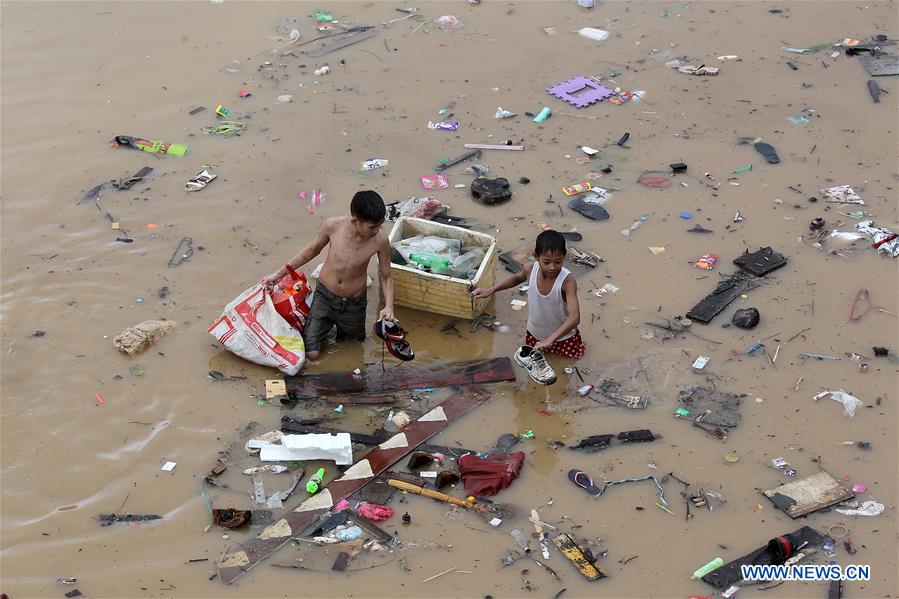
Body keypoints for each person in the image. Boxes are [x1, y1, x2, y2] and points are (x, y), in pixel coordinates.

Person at [262, 190, 394, 361]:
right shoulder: (333, 226)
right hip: (325, 297)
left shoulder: (380, 240)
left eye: (380, 225)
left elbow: (386, 275)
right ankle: (320, 324)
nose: (377, 230)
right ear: (355, 221)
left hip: (354, 303)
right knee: (312, 354)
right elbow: (311, 251)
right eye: (372, 227)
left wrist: (389, 306)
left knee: (352, 348)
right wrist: (279, 274)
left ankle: (329, 327)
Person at [471, 230, 585, 384]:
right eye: (546, 262)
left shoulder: (567, 281)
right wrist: (491, 290)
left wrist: (551, 339)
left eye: (558, 262)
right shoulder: (530, 269)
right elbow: (517, 278)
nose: (552, 267)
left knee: (567, 371)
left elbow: (574, 317)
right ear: (536, 256)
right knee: (536, 369)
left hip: (564, 339)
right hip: (535, 334)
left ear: (564, 257)